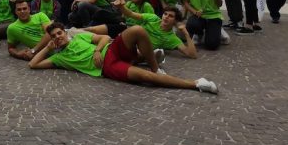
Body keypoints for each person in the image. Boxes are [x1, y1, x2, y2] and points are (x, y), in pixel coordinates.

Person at [29, 22, 219, 94]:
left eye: (59, 33)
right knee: (145, 78)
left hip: (111, 49)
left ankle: (155, 66)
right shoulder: (59, 58)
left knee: (137, 30)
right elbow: (33, 64)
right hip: (107, 67)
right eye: (53, 36)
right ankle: (195, 84)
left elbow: (104, 37)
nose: (57, 37)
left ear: (64, 32)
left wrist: (97, 51)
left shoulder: (79, 36)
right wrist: (47, 47)